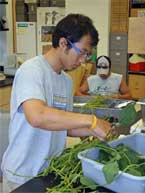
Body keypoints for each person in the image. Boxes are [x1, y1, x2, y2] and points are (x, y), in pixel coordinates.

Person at [1, 14, 112, 193]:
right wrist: (90, 120)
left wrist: (97, 129)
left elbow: (65, 126)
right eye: (82, 52)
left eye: (87, 54)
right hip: (22, 175)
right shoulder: (32, 71)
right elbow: (37, 116)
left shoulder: (66, 81)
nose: (83, 60)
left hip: (49, 171)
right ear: (63, 43)